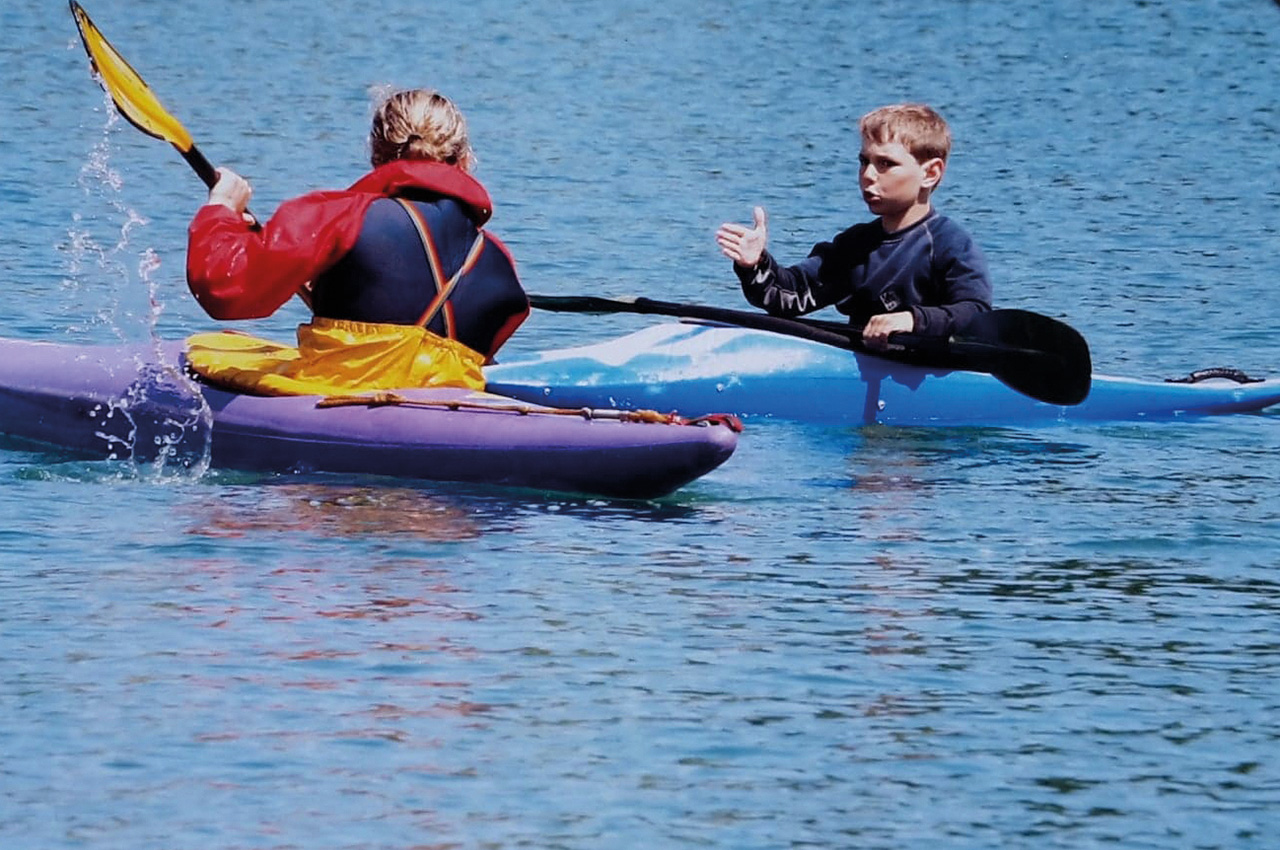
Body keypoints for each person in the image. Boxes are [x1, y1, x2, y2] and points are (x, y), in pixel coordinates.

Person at [185, 88, 528, 393]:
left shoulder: (337, 217)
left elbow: (223, 289)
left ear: (376, 156)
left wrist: (221, 210)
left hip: (337, 394)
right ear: (464, 161)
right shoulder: (498, 260)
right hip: (443, 408)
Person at [715, 103, 991, 350]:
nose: (867, 175)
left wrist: (912, 320)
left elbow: (976, 314)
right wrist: (755, 265)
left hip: (930, 371)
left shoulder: (949, 244)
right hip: (863, 365)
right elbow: (789, 298)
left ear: (930, 173)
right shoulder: (855, 246)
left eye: (885, 164)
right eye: (864, 161)